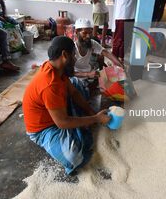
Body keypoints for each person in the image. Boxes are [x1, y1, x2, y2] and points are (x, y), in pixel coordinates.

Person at [22, 36, 110, 175]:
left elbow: (74, 93)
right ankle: (77, 129)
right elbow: (62, 123)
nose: (75, 60)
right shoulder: (50, 84)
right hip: (43, 129)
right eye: (73, 56)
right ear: (64, 55)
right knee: (73, 156)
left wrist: (91, 112)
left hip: (56, 114)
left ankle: (80, 124)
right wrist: (96, 119)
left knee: (76, 83)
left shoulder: (57, 69)